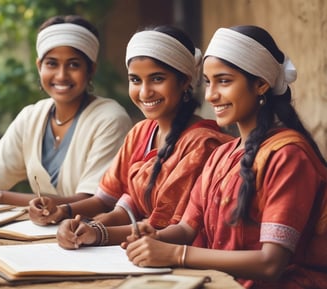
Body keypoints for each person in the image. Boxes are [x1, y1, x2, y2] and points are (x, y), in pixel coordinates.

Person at [123, 25, 327, 289]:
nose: (211, 95)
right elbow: (187, 229)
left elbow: (271, 263)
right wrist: (157, 237)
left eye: (224, 81)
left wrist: (177, 254)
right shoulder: (222, 154)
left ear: (261, 84)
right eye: (208, 82)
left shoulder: (288, 156)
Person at [51, 25, 232, 247]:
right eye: (135, 80)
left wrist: (99, 232)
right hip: (140, 248)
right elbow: (119, 202)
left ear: (185, 80)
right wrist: (74, 220)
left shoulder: (203, 144)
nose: (145, 92)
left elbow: (165, 228)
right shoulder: (141, 132)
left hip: (180, 254)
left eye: (157, 79)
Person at [0, 15, 132, 207]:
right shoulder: (31, 117)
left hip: (91, 234)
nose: (61, 75)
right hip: (34, 233)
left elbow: (92, 203)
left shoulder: (110, 119)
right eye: (52, 63)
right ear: (39, 66)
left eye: (74, 64)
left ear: (91, 70)